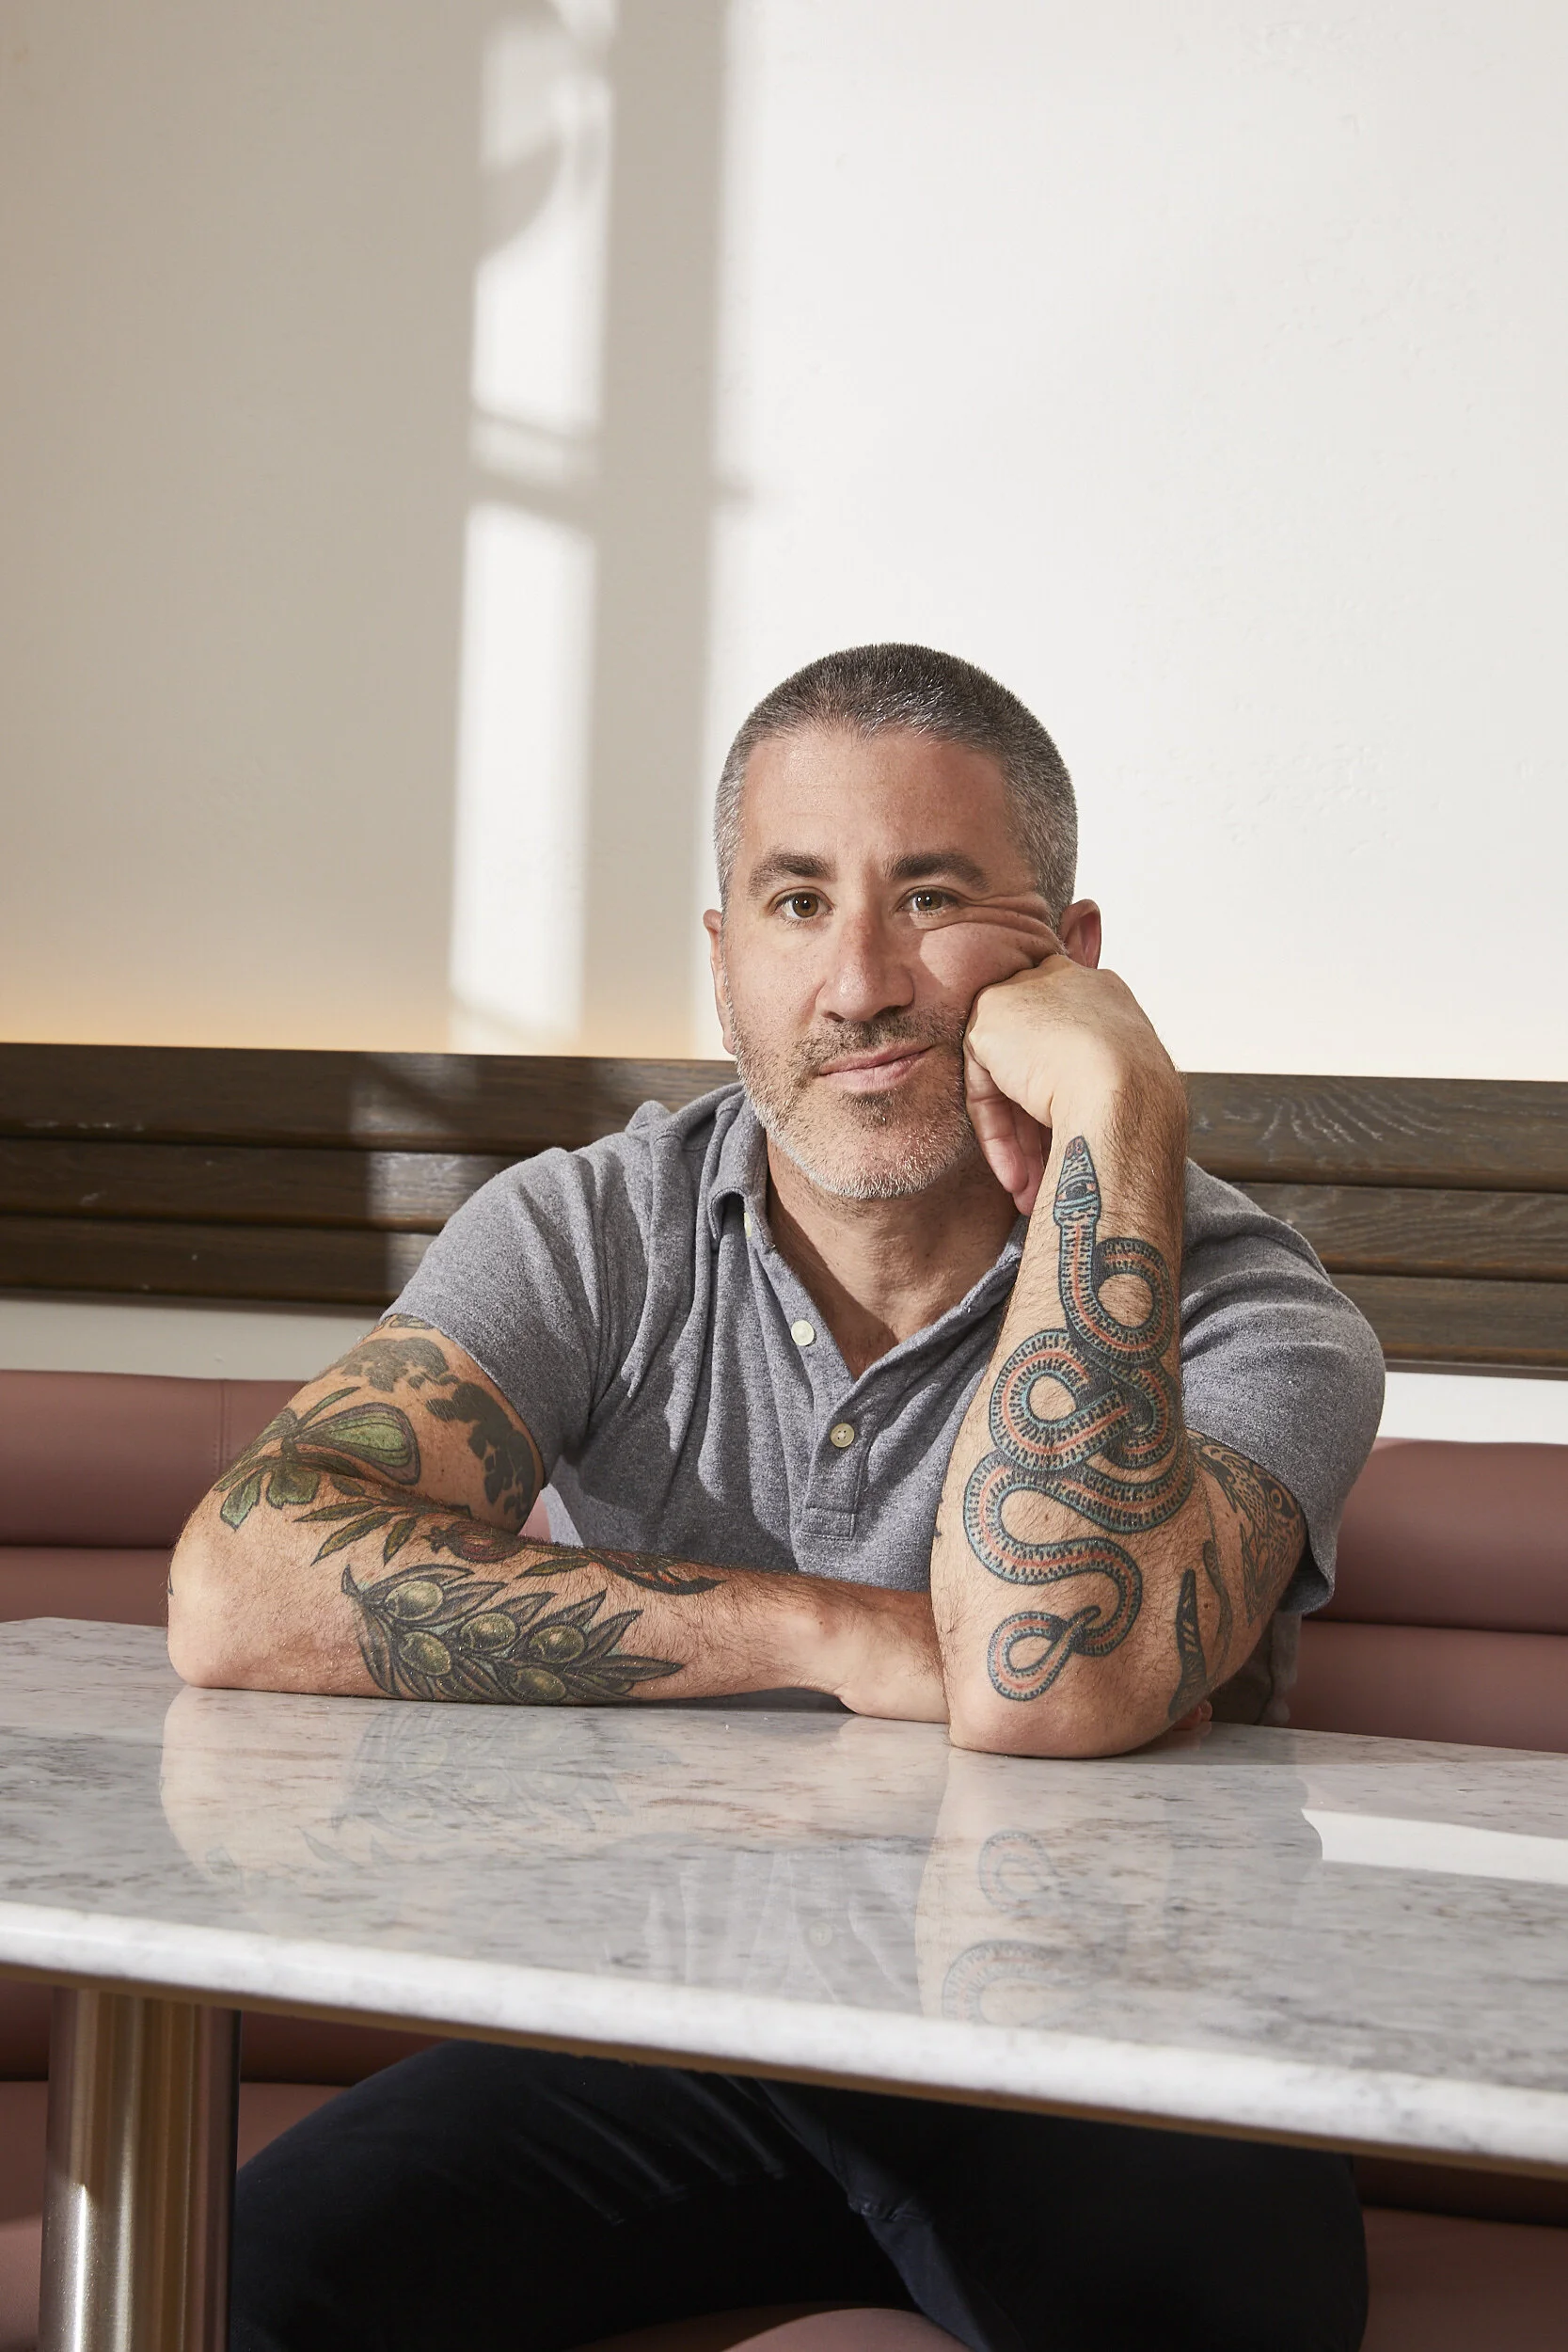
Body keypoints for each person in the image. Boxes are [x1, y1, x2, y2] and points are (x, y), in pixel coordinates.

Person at [169, 644, 1381, 2352]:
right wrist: (833, 1636)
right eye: (797, 902)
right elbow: (241, 1584)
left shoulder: (1255, 1314)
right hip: (682, 2016)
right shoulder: (594, 1228)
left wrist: (1118, 1107)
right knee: (236, 2292)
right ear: (724, 958)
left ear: (1068, 959)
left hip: (1123, 2058)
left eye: (930, 898)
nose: (859, 983)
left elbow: (1045, 1684)